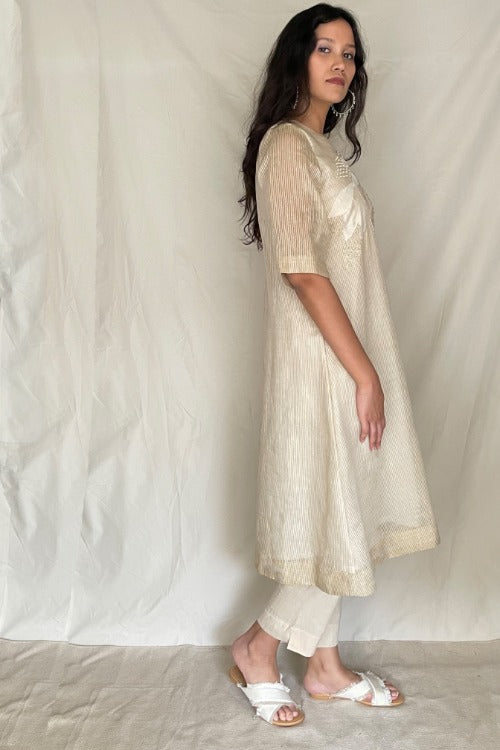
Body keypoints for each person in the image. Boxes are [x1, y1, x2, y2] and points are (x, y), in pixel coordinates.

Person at [229, 3, 440, 727]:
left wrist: (366, 367)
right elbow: (301, 270)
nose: (340, 63)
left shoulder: (321, 152)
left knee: (341, 507)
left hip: (344, 353)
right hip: (320, 362)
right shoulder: (286, 146)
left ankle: (322, 667)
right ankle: (258, 648)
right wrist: (365, 373)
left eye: (349, 53)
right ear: (298, 58)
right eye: (324, 48)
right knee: (336, 507)